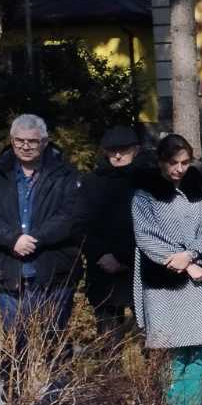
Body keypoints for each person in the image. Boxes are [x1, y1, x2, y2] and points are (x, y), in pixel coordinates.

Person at [131, 134, 202, 405]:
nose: (180, 169)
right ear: (161, 161)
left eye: (185, 162)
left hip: (198, 281)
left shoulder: (201, 190)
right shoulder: (144, 195)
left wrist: (192, 253)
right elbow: (146, 237)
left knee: (197, 354)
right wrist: (184, 262)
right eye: (174, 163)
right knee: (173, 356)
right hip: (165, 286)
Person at [0, 113, 83, 346]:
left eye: (32, 141)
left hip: (54, 271)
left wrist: (36, 238)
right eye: (19, 141)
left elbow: (70, 215)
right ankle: (18, 384)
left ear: (44, 142)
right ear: (12, 141)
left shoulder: (65, 174)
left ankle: (57, 384)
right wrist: (12, 239)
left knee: (56, 345)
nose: (25, 146)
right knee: (15, 346)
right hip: (12, 271)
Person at [81, 125, 144, 334]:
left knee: (151, 338)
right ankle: (111, 368)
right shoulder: (91, 182)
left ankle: (150, 368)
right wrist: (100, 254)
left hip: (139, 266)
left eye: (124, 150)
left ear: (136, 149)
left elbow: (154, 225)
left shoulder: (149, 182)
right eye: (112, 150)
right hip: (103, 268)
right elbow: (81, 223)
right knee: (107, 337)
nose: (117, 156)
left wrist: (123, 258)